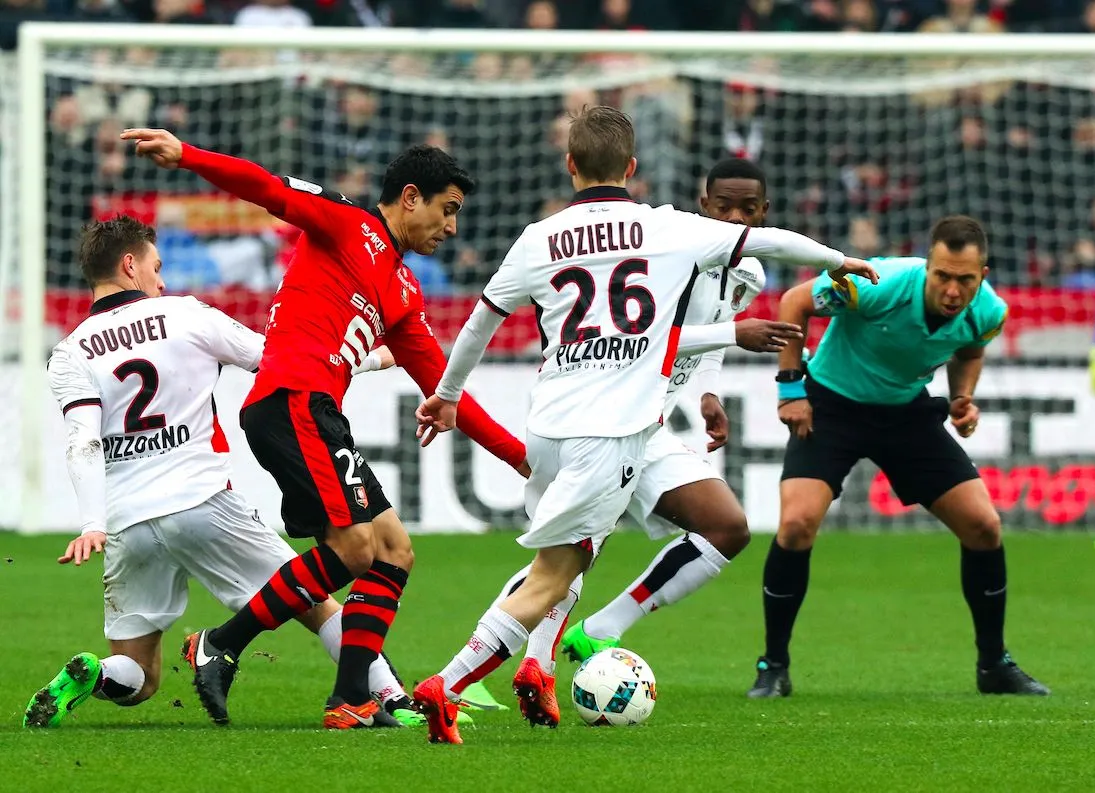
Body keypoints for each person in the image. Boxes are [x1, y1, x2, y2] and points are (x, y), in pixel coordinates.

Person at [410, 106, 876, 743]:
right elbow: (770, 243)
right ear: (631, 167)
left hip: (551, 423)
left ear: (570, 164)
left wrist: (446, 395)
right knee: (557, 571)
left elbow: (478, 324)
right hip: (612, 428)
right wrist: (840, 260)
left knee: (580, 556)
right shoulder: (666, 229)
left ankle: (536, 668)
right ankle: (449, 685)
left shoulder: (538, 237)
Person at [119, 128, 530, 727]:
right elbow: (266, 187)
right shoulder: (346, 224)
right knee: (355, 548)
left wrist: (520, 458)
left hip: (318, 413)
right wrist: (188, 156)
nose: (452, 227)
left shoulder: (404, 290)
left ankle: (350, 698)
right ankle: (220, 644)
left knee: (393, 551)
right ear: (409, 197)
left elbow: (447, 390)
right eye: (447, 210)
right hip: (291, 400)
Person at [23, 215, 408, 729]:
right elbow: (282, 363)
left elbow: (83, 440)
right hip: (201, 503)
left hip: (127, 522)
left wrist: (93, 523)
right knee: (317, 603)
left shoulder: (69, 352)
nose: (162, 281)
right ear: (130, 265)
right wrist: (371, 359)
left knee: (140, 676)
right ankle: (392, 698)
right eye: (156, 267)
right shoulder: (185, 314)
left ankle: (97, 675)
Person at [480, 157, 800, 727]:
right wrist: (732, 335)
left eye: (747, 210)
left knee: (726, 527)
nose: (734, 217)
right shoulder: (673, 251)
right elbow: (650, 334)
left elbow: (712, 333)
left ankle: (600, 630)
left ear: (763, 213)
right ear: (704, 205)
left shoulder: (746, 271)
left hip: (649, 425)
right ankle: (491, 673)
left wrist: (707, 391)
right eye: (723, 206)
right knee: (570, 554)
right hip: (599, 415)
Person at [748, 215, 1049, 698]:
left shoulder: (989, 312)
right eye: (943, 276)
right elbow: (795, 302)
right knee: (797, 524)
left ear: (983, 276)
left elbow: (969, 351)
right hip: (832, 407)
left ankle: (994, 665)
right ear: (927, 267)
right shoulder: (879, 283)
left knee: (984, 526)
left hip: (906, 414)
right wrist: (790, 388)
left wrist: (961, 398)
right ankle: (773, 666)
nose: (953, 290)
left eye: (965, 280)